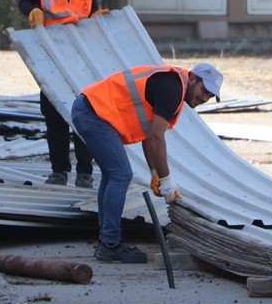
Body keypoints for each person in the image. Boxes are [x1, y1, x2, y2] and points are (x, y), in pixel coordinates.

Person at [69, 62, 223, 263]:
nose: (204, 98)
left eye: (210, 96)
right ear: (193, 79)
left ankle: (107, 241)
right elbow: (156, 137)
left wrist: (154, 173)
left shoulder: (172, 84)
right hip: (94, 113)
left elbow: (149, 135)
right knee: (120, 174)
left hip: (90, 110)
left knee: (112, 174)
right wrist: (166, 181)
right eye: (204, 90)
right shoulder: (173, 88)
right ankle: (110, 243)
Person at [19, 0, 103, 188]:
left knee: (84, 111)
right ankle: (59, 170)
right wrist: (33, 10)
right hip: (52, 52)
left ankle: (85, 172)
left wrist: (98, 17)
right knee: (54, 111)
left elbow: (92, 8)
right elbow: (24, 1)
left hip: (79, 53)